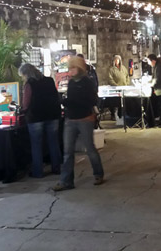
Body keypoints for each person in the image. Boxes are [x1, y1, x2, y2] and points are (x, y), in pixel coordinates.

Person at [53, 57, 104, 191]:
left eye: (73, 68)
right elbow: (72, 99)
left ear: (79, 68)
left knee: (90, 149)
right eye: (69, 69)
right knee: (68, 151)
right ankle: (66, 181)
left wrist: (71, 102)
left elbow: (92, 100)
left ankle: (98, 173)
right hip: (71, 119)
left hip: (85, 119)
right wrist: (66, 102)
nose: (70, 71)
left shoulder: (87, 82)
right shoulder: (71, 83)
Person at [19, 63, 62, 178]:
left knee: (36, 145)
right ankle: (56, 167)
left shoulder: (29, 84)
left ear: (26, 74)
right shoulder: (49, 80)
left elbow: (26, 102)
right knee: (53, 142)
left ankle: (38, 172)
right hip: (52, 115)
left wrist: (22, 110)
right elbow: (56, 96)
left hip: (36, 117)